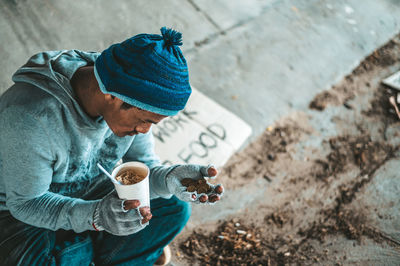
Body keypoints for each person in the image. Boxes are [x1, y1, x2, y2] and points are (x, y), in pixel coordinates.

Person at [0, 27, 224, 265]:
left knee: (173, 209)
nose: (145, 130)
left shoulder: (125, 84)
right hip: (22, 212)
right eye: (145, 120)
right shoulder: (31, 117)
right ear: (111, 96)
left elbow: (144, 166)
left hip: (89, 189)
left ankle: (89, 251)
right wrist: (96, 216)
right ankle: (104, 252)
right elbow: (26, 203)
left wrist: (168, 178)